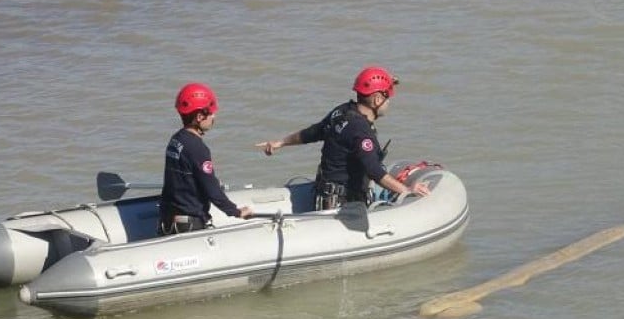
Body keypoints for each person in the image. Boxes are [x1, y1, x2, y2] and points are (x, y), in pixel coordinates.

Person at [255, 66, 431, 211]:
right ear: (377, 99)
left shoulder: (342, 111)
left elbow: (313, 132)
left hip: (324, 196)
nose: (389, 102)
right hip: (343, 205)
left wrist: (281, 142)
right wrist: (407, 190)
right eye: (388, 97)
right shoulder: (361, 131)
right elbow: (375, 172)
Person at [159, 82, 253, 234]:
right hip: (188, 225)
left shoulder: (175, 140)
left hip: (168, 220)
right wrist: (235, 211)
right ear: (199, 116)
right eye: (211, 113)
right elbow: (212, 190)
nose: (214, 116)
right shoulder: (198, 149)